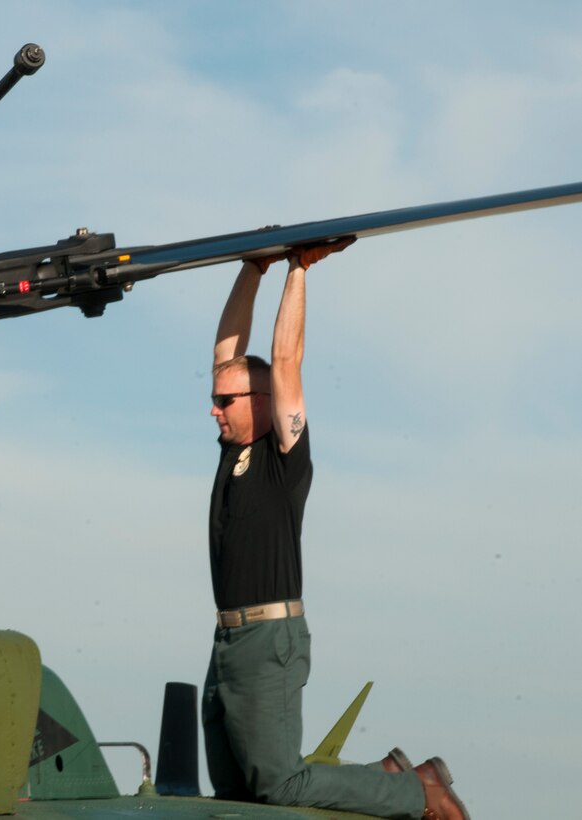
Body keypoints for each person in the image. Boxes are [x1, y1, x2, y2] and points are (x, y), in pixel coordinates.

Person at [201, 241, 470, 820]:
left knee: (281, 788)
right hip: (226, 644)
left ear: (264, 400)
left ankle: (418, 795)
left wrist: (297, 270)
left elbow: (285, 359)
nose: (214, 410)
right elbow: (229, 351)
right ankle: (393, 775)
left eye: (225, 401)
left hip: (268, 643)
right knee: (238, 801)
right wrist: (253, 270)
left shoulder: (283, 456)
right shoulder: (232, 451)